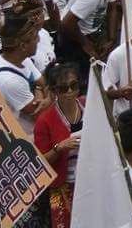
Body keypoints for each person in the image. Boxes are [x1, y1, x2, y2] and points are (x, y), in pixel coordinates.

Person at [0, 0, 50, 136]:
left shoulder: (21, 59)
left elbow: (44, 83)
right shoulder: (9, 80)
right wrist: (46, 94)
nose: (39, 40)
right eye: (35, 38)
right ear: (23, 46)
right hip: (23, 137)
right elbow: (39, 114)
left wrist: (40, 90)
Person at [34, 62, 85, 228]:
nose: (70, 92)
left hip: (90, 180)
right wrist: (59, 148)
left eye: (74, 85)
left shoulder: (89, 106)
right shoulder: (45, 121)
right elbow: (40, 162)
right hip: (62, 187)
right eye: (63, 88)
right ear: (54, 91)